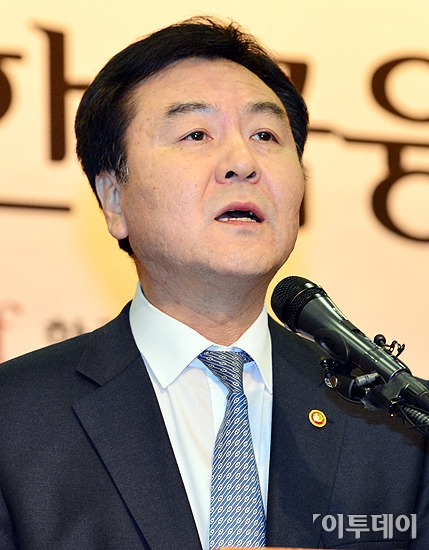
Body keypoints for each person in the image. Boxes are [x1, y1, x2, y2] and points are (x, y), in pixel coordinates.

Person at [0, 16, 428, 550]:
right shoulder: (15, 419)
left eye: (265, 135)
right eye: (196, 134)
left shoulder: (395, 423)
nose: (242, 162)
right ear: (113, 201)